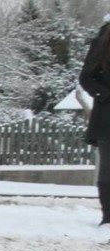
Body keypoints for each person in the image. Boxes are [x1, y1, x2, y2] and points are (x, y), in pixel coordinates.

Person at [81, 16, 110, 225]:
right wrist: (105, 95)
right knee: (108, 168)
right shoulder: (102, 43)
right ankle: (108, 216)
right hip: (107, 117)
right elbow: (86, 77)